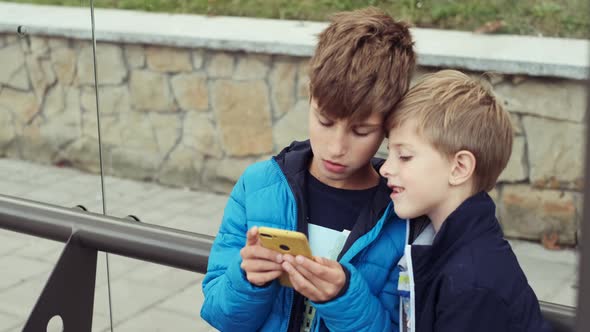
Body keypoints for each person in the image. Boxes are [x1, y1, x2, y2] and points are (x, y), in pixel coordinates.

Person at [200, 7, 416, 332]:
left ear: (389, 124)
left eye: (361, 131)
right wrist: (247, 280)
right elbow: (218, 312)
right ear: (310, 93)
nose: (335, 147)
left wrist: (344, 297)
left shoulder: (402, 214)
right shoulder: (257, 185)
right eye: (325, 121)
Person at [379, 69, 552, 332]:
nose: (385, 168)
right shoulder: (453, 249)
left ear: (459, 168)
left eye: (404, 156)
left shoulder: (471, 282)